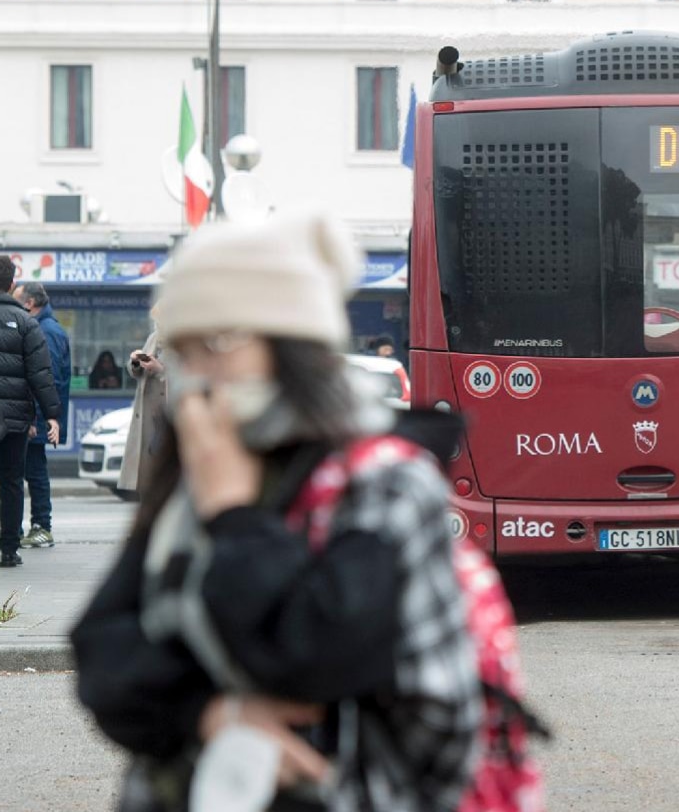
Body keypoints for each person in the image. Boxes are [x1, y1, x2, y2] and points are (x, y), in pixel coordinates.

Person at [71, 213, 481, 811]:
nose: (195, 375)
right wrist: (210, 713)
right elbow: (102, 649)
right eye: (183, 350)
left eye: (216, 344)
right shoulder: (201, 464)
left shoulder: (383, 482)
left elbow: (318, 656)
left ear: (292, 348)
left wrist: (234, 517)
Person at [0, 255, 65, 572]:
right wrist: (52, 415)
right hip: (16, 417)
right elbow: (41, 375)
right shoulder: (28, 324)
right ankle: (8, 550)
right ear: (13, 285)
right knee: (12, 481)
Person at [15, 282, 70, 550]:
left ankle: (41, 526)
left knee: (35, 471)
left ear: (29, 303)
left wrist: (37, 418)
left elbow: (48, 379)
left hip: (35, 418)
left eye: (16, 300)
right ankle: (25, 526)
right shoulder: (45, 327)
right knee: (29, 470)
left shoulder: (45, 331)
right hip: (35, 414)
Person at [117, 314, 167, 495]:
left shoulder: (183, 340)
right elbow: (136, 372)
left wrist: (161, 369)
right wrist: (136, 361)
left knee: (165, 466)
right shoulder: (154, 337)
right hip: (149, 413)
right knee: (148, 465)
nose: (158, 323)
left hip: (169, 411)